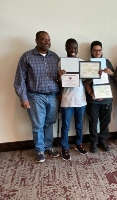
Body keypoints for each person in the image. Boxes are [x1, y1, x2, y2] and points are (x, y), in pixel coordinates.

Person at [14, 31, 60, 162]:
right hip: (35, 96)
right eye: (43, 39)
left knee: (49, 123)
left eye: (48, 39)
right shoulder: (27, 56)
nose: (47, 42)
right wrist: (23, 98)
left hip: (53, 96)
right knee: (38, 124)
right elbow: (19, 79)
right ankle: (39, 150)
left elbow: (60, 77)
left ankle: (48, 147)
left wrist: (61, 92)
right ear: (36, 40)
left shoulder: (55, 57)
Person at [58, 38, 87, 161]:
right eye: (70, 47)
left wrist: (94, 75)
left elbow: (86, 81)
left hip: (80, 99)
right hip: (67, 99)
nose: (72, 50)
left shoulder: (81, 62)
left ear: (78, 48)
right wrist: (59, 77)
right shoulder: (60, 62)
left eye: (75, 48)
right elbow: (59, 83)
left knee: (79, 124)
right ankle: (65, 147)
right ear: (65, 48)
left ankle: (79, 144)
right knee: (65, 125)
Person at [84, 41, 114, 153]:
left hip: (106, 98)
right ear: (91, 51)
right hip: (93, 99)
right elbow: (85, 83)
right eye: (95, 50)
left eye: (99, 50)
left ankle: (103, 141)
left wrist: (110, 72)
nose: (97, 52)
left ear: (102, 51)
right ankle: (93, 142)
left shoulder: (107, 62)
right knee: (93, 122)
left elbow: (114, 76)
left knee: (105, 122)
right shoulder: (88, 64)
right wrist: (91, 92)